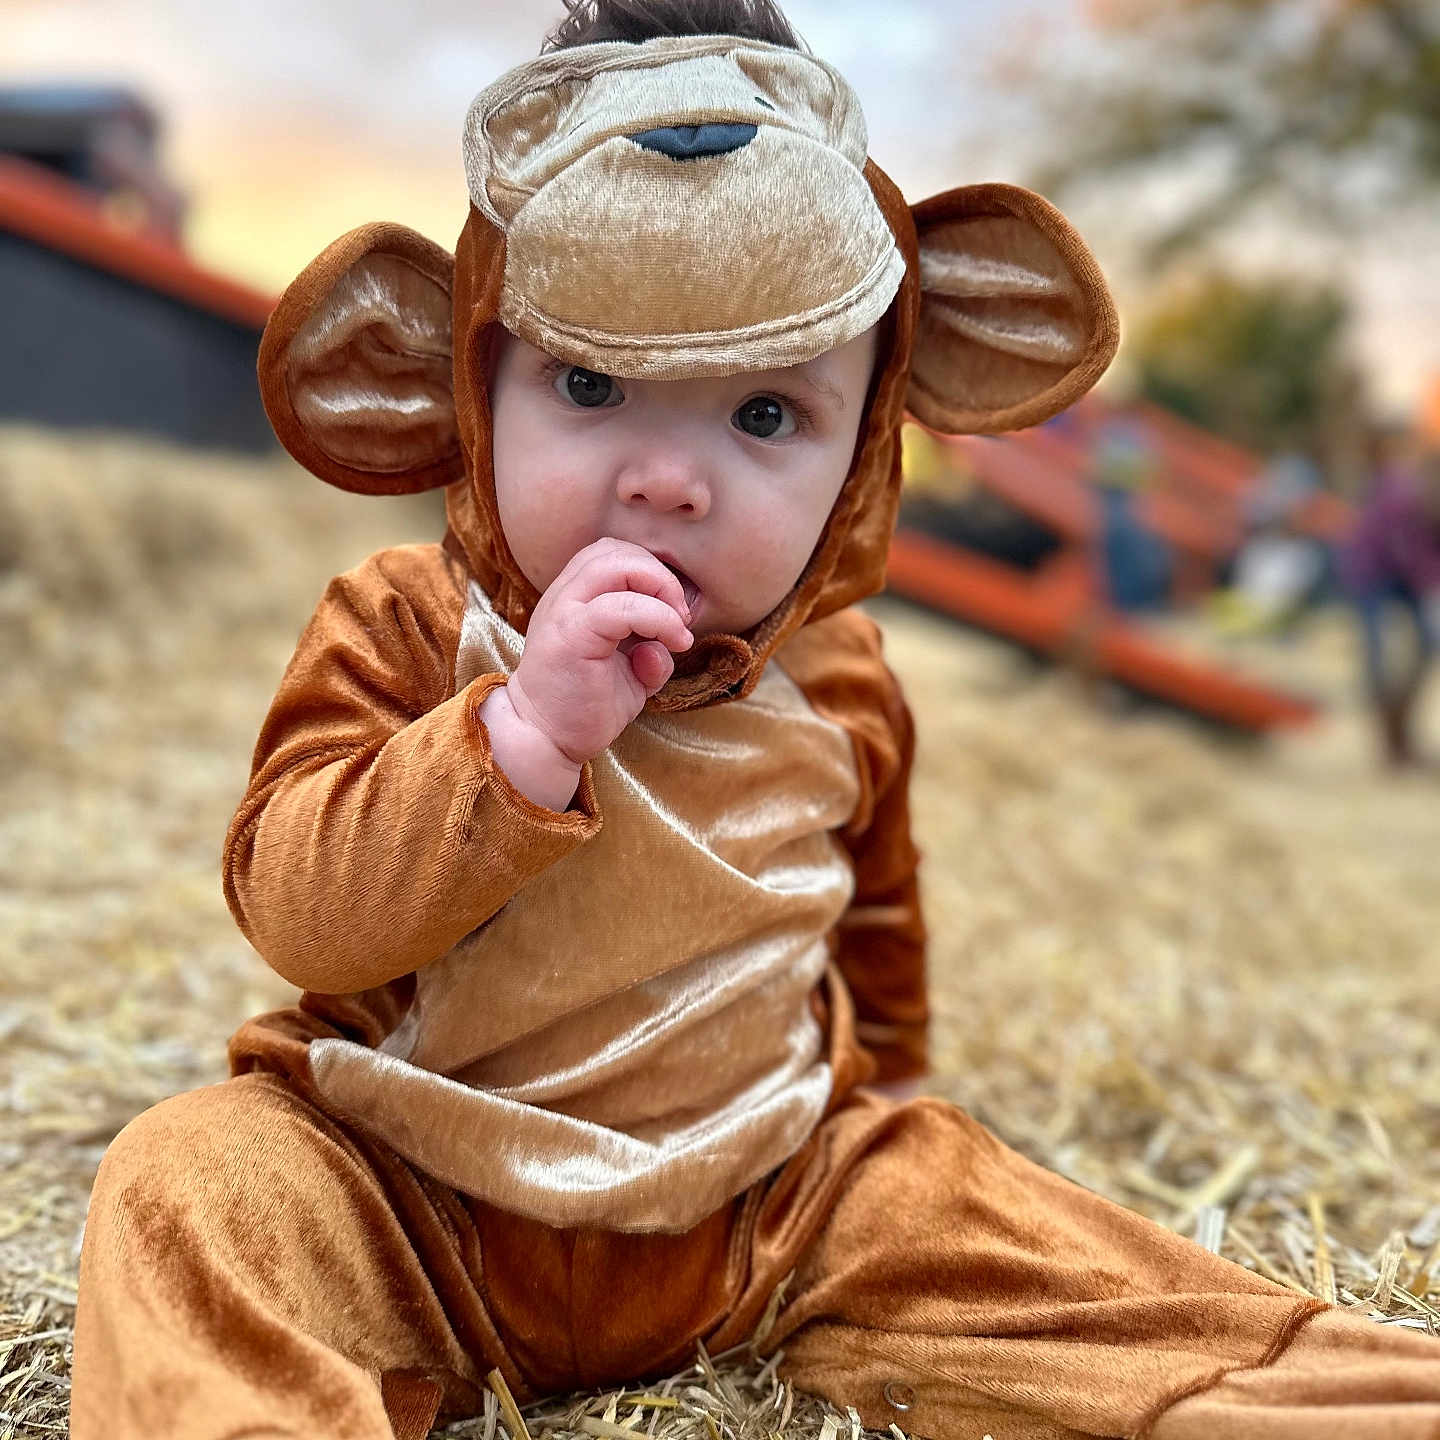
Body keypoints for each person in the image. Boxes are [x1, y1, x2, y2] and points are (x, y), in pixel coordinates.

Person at [70, 3, 1440, 1437]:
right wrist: (519, 734)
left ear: (865, 443)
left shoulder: (841, 678)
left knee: (1026, 1237)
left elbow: (875, 911)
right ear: (476, 386)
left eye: (767, 415)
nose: (668, 481)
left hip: (767, 1206)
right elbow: (301, 916)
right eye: (590, 385)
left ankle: (1320, 1401)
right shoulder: (405, 624)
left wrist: (900, 1101)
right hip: (409, 1195)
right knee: (188, 1180)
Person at [1338, 425, 1440, 766]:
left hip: (1399, 576)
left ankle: (1398, 737)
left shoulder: (1411, 486)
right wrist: (1431, 584)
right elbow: (1406, 549)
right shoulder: (1401, 490)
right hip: (1374, 574)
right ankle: (1392, 741)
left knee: (1419, 649)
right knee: (1381, 657)